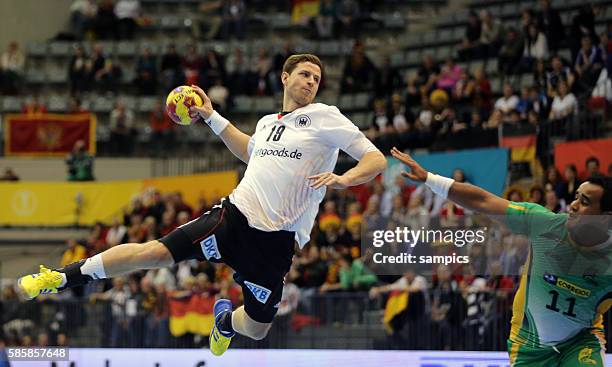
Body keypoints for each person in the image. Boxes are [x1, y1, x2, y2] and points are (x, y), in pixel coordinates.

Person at [17, 54, 387, 356]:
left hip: (276, 244)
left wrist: (345, 178)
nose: (311, 82)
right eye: (305, 74)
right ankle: (62, 277)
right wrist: (211, 117)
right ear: (285, 78)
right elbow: (250, 150)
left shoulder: (325, 117)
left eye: (317, 79)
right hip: (234, 218)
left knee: (257, 330)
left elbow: (375, 160)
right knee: (154, 252)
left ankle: (224, 322)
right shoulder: (267, 123)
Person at [390, 147, 612, 366]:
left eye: (584, 202)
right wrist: (430, 179)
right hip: (529, 346)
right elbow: (484, 202)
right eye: (575, 197)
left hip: (580, 342)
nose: (573, 205)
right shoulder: (545, 225)